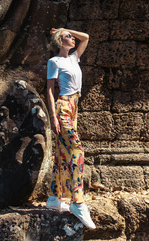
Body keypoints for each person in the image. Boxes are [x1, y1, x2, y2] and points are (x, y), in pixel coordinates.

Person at [45, 28, 96, 229]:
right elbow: (49, 89)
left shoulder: (74, 58)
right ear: (59, 41)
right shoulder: (54, 62)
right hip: (63, 107)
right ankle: (78, 202)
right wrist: (53, 117)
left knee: (62, 152)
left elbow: (87, 37)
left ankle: (55, 197)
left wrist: (64, 29)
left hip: (74, 107)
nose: (72, 38)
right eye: (68, 37)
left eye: (71, 36)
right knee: (77, 151)